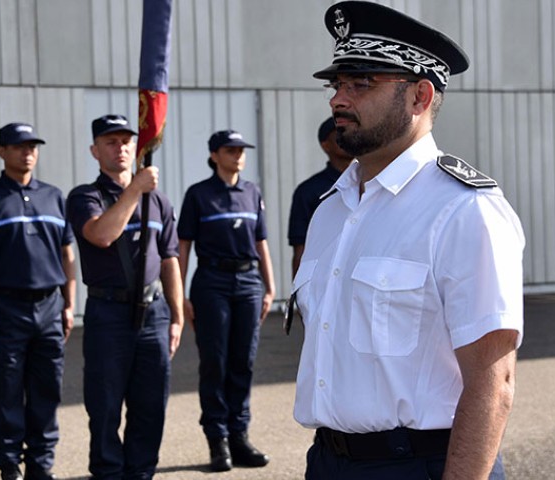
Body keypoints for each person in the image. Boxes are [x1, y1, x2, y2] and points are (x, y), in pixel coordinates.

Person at [292, 2, 524, 479]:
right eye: (337, 84)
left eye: (361, 83)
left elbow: (493, 381)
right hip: (328, 462)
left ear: (420, 96)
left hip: (422, 465)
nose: (338, 99)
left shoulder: (463, 209)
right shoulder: (331, 210)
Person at [65, 114, 183, 479]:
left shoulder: (158, 201)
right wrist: (134, 191)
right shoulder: (86, 197)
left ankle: (141, 472)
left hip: (155, 312)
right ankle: (107, 473)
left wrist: (177, 316)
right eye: (112, 142)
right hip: (108, 313)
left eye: (127, 141)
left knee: (151, 405)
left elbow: (169, 259)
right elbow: (101, 234)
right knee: (104, 405)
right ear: (95, 150)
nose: (121, 148)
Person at [0, 122, 76, 480]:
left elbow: (67, 254)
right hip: (6, 307)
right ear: (2, 152)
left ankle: (41, 464)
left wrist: (69, 304)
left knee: (47, 388)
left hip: (49, 306)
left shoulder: (54, 197)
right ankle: (9, 462)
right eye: (18, 146)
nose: (27, 152)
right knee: (6, 390)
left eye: (32, 146)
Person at [176, 130, 275, 472]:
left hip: (248, 281)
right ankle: (217, 441)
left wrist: (270, 286)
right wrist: (182, 295)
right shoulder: (199, 195)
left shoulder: (252, 192)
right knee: (215, 362)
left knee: (243, 361)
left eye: (241, 150)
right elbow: (183, 245)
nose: (238, 156)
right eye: (231, 150)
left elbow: (261, 242)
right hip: (212, 283)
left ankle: (239, 436)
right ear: (214, 155)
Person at [287, 117, 354, 276]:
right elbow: (301, 249)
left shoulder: (373, 182)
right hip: (325, 279)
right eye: (339, 133)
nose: (347, 137)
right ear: (325, 145)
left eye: (351, 131)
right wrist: (297, 296)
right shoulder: (308, 190)